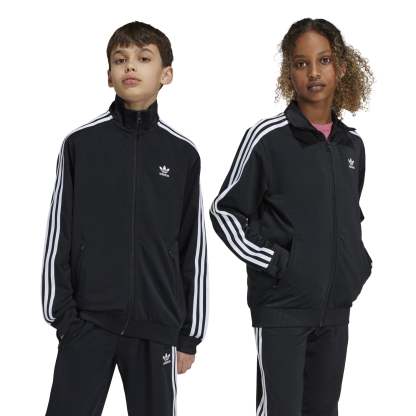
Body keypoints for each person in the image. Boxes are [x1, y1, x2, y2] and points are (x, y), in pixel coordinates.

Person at [41, 20, 208, 415]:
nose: (130, 66)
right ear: (109, 75)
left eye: (143, 58)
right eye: (120, 59)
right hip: (88, 323)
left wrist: (189, 335)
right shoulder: (81, 145)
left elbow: (193, 247)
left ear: (166, 74)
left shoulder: (182, 154)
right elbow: (58, 235)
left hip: (157, 329)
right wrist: (64, 318)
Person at [210, 17, 373, 416]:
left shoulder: (351, 146)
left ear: (342, 68)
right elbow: (224, 211)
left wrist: (357, 265)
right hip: (281, 309)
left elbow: (350, 216)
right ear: (289, 72)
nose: (313, 72)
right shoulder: (268, 138)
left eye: (324, 60)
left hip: (335, 310)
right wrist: (277, 262)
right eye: (301, 63)